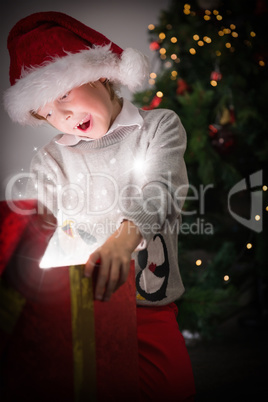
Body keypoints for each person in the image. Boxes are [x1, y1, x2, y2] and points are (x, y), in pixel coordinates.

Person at [4, 11, 195, 401]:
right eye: (47, 112)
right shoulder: (51, 161)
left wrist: (123, 241)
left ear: (101, 74)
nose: (64, 116)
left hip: (150, 309)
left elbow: (160, 189)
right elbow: (45, 237)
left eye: (64, 95)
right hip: (81, 311)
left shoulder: (159, 127)